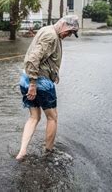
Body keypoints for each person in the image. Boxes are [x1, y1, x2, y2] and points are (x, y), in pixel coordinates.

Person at [16, 16, 79, 161]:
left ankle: (22, 152)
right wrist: (33, 84)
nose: (68, 35)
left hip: (25, 79)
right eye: (69, 32)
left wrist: (54, 73)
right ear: (63, 24)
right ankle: (48, 153)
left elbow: (46, 57)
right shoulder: (51, 36)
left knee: (34, 117)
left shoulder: (47, 30)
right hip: (39, 82)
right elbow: (33, 59)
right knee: (52, 118)